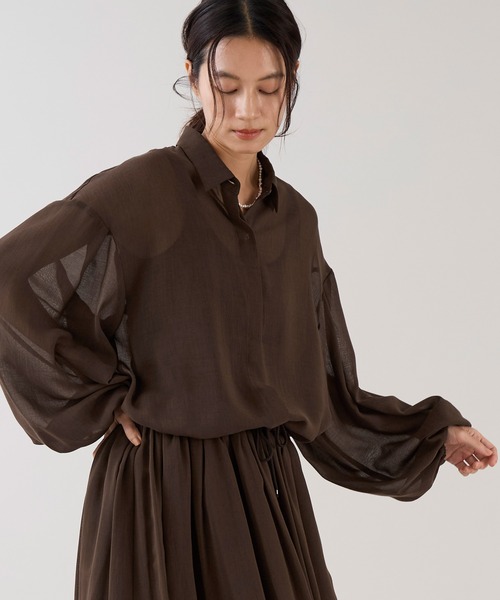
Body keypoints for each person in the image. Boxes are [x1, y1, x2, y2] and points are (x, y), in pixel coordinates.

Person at [0, 1, 496, 598]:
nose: (247, 110)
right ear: (193, 76)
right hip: (159, 491)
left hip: (266, 494)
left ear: (291, 80)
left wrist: (432, 435)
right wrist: (101, 400)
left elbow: (323, 391)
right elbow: (11, 282)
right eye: (227, 86)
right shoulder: (140, 192)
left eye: (268, 88)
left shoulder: (295, 222)